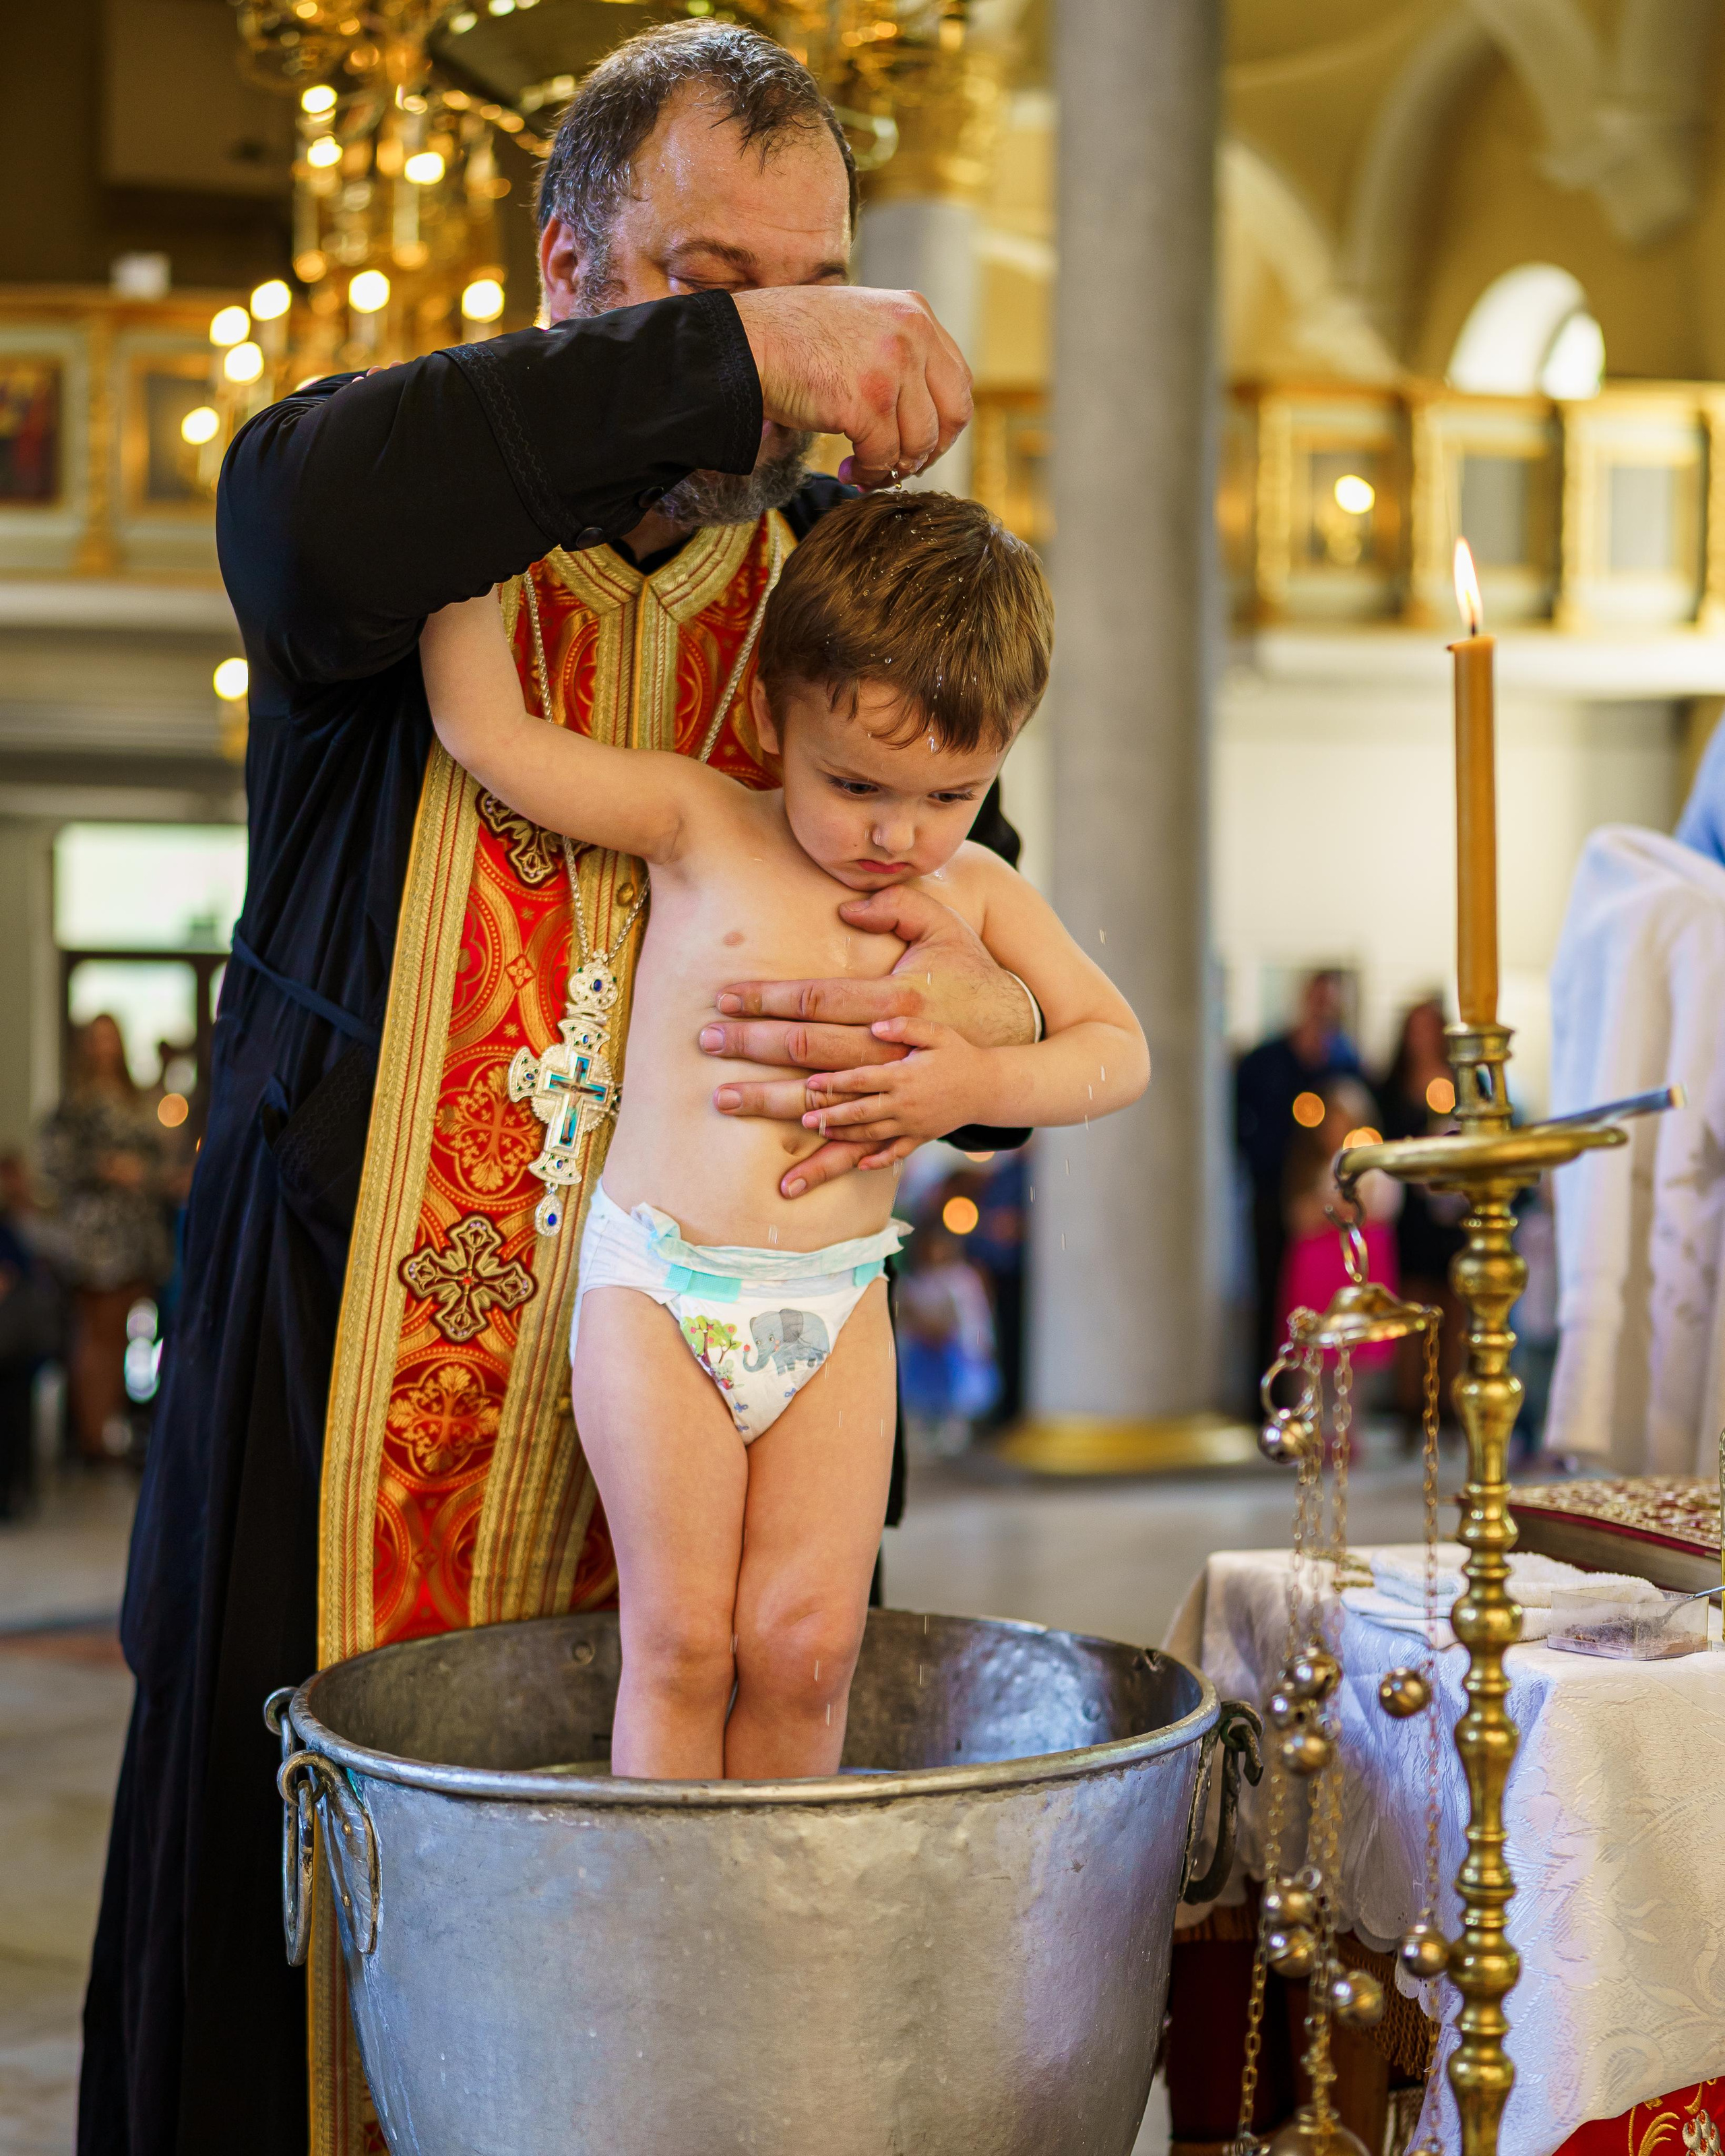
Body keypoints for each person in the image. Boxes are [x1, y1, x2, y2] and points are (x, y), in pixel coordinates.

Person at [81, 24, 1037, 2155]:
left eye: (805, 297)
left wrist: (949, 1060)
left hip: (719, 1386)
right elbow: (314, 513)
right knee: (313, 1984)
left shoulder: (823, 605)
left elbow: (961, 902)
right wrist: (747, 355)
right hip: (349, 1400)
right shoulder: (395, 515)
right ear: (567, 270)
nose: (774, 365)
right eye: (715, 291)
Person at [421, 489, 1149, 1777]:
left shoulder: (972, 887)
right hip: (661, 1288)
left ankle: (765, 1949)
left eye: (949, 794)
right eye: (855, 781)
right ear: (771, 717)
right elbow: (488, 732)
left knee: (811, 1646)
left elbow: (1118, 1050)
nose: (897, 834)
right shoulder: (702, 826)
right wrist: (459, 499)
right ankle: (670, 1944)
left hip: (835, 1301)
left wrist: (968, 1076)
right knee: (687, 1640)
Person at [35, 1016, 170, 1462]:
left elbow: (160, 1158)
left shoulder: (138, 1098)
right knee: (98, 1333)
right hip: (98, 1233)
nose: (104, 1047)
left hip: (138, 1229)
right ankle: (92, 1438)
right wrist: (106, 1166)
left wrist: (142, 1172)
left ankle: (112, 1425)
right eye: (96, 1039)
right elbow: (54, 1164)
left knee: (129, 1332)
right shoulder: (74, 1103)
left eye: (110, 1038)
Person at [1233, 971, 1362, 1379]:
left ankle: (1314, 1391)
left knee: (1318, 1299)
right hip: (1272, 1191)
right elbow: (1238, 1117)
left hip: (1321, 1198)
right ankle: (1268, 1389)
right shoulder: (1267, 1058)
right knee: (1270, 1295)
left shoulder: (1345, 1062)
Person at [1377, 996, 1466, 1427]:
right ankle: (1411, 1405)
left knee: (1454, 1311)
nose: (1422, 1037)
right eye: (1416, 1028)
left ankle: (1448, 1406)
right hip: (1411, 1217)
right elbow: (1382, 1142)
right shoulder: (1392, 1086)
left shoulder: (1463, 1083)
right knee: (1412, 1311)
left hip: (1450, 1215)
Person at [1274, 1074, 1401, 1367]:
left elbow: (1380, 1208)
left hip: (1356, 1264)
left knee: (1355, 1361)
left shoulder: (1374, 1164)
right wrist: (1327, 1205)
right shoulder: (1307, 1163)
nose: (1336, 1127)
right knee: (1313, 1357)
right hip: (1317, 1267)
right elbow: (1298, 1217)